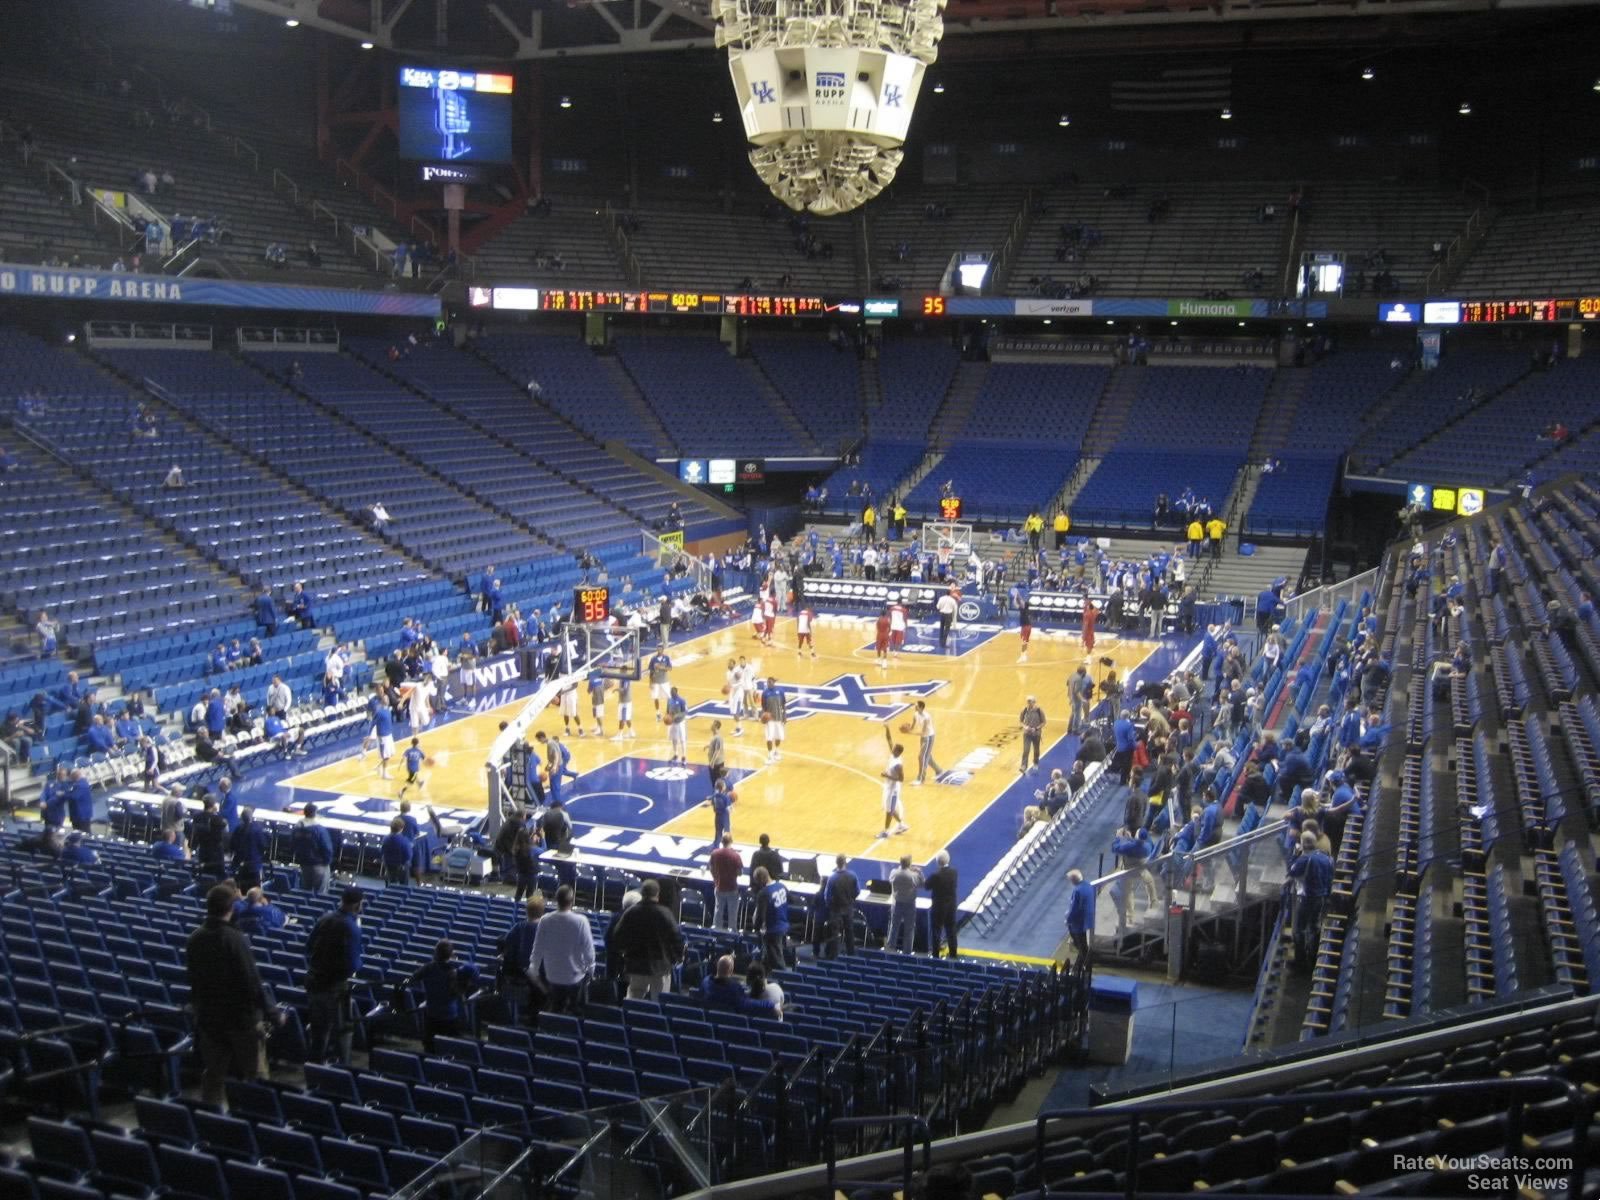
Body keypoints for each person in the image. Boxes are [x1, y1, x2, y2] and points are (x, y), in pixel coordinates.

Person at [186, 883, 280, 1109]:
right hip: (240, 1019)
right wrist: (272, 1012)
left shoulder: (195, 937)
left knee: (214, 1073)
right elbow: (251, 980)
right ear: (231, 908)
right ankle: (258, 1118)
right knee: (255, 1074)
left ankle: (210, 1117)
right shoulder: (234, 939)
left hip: (209, 1017)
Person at [305, 887, 365, 1064]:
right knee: (341, 1031)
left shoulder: (325, 918)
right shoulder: (351, 928)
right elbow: (353, 965)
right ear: (357, 904)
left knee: (318, 1033)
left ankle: (313, 1071)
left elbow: (309, 947)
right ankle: (339, 1070)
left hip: (313, 981)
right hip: (334, 988)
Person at [606, 879, 683, 1000]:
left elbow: (617, 937)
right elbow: (676, 939)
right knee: (659, 1001)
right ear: (657, 894)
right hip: (660, 967)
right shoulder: (665, 913)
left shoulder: (631, 912)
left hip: (636, 966)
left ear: (642, 893)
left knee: (633, 1001)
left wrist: (626, 954)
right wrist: (676, 958)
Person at [405, 938, 477, 1053]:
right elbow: (457, 993)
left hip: (431, 1014)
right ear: (451, 954)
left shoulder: (429, 967)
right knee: (450, 1048)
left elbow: (412, 978)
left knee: (430, 1049)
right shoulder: (453, 972)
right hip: (449, 1016)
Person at [530, 885, 594, 1013]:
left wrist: (534, 971)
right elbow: (589, 952)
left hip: (552, 977)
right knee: (574, 1009)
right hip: (574, 978)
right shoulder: (581, 921)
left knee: (556, 1008)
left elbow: (537, 949)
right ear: (572, 901)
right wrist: (591, 970)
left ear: (556, 900)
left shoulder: (545, 920)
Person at [1286, 830, 1332, 972]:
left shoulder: (1305, 859)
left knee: (1299, 929)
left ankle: (1300, 961)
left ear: (1303, 844)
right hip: (1322, 897)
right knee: (1314, 926)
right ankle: (1313, 958)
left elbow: (1291, 871)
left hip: (1307, 897)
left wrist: (1295, 854)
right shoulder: (1326, 857)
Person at [700, 954, 778, 1015]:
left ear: (717, 967)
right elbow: (748, 1003)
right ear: (731, 971)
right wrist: (770, 1005)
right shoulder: (734, 990)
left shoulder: (706, 982)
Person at [751, 865, 790, 970]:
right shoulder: (782, 886)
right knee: (772, 957)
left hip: (773, 930)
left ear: (761, 880)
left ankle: (784, 980)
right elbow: (790, 900)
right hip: (784, 924)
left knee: (777, 960)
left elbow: (760, 916)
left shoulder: (764, 893)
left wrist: (756, 928)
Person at [292, 802, 335, 894]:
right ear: (315, 813)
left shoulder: (297, 828)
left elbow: (293, 844)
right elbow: (327, 848)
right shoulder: (319, 830)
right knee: (320, 893)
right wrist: (327, 862)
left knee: (304, 891)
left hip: (304, 864)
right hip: (319, 865)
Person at [823, 853, 860, 957]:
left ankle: (833, 955)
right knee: (849, 932)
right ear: (845, 862)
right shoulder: (852, 875)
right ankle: (851, 954)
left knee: (834, 933)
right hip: (848, 907)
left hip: (835, 909)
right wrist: (851, 899)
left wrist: (831, 905)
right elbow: (857, 891)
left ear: (836, 863)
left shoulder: (832, 878)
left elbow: (827, 896)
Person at [924, 851, 958, 958]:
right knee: (951, 929)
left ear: (937, 862)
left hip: (939, 907)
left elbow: (926, 886)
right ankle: (953, 953)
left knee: (936, 930)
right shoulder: (954, 872)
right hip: (951, 905)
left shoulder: (936, 875)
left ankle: (935, 954)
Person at [708, 833, 743, 931]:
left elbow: (711, 868)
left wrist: (716, 879)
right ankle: (732, 935)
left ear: (722, 842)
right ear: (731, 841)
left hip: (719, 887)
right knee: (732, 914)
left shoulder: (714, 853)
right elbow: (740, 873)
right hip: (732, 888)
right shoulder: (735, 856)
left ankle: (717, 933)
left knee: (718, 912)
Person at [887, 854, 921, 953]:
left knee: (894, 926)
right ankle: (907, 951)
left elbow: (890, 880)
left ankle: (890, 948)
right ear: (910, 863)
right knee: (909, 928)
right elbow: (922, 883)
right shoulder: (913, 875)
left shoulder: (894, 873)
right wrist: (918, 872)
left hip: (897, 903)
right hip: (909, 904)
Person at [1064, 868, 1095, 971]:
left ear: (1074, 880)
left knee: (1081, 946)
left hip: (1078, 923)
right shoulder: (1089, 886)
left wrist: (1068, 920)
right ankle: (1081, 964)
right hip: (1088, 918)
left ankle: (1082, 967)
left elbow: (1074, 909)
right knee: (1083, 945)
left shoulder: (1077, 891)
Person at [909, 699, 941, 785]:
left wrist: (911, 733)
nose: (915, 707)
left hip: (929, 737)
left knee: (921, 757)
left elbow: (923, 732)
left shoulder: (927, 717)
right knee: (928, 757)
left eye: (917, 706)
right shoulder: (915, 714)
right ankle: (939, 771)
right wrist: (907, 729)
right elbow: (912, 726)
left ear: (921, 708)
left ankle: (920, 779)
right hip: (923, 738)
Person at [761, 676, 787, 763]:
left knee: (778, 737)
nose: (768, 684)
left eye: (770, 682)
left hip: (779, 718)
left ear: (773, 683)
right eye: (767, 682)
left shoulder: (780, 691)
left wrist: (785, 715)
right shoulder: (765, 693)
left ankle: (776, 751)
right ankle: (769, 755)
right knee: (769, 738)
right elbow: (763, 706)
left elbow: (783, 705)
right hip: (770, 720)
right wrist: (764, 716)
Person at [382, 817, 414, 886]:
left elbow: (382, 851)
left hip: (389, 865)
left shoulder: (385, 839)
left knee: (390, 883)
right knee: (403, 885)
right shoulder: (405, 841)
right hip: (401, 867)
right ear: (402, 829)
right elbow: (408, 856)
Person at [1019, 696, 1046, 773]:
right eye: (1028, 701)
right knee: (1026, 750)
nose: (1029, 703)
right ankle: (1023, 766)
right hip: (1027, 734)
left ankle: (1036, 762)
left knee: (1036, 749)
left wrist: (1036, 728)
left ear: (1034, 702)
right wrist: (1025, 727)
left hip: (1036, 734)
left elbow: (1044, 722)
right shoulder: (1024, 710)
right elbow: (1021, 721)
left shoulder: (1039, 710)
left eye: (1030, 701)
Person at [664, 685, 688, 764]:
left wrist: (676, 716)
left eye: (672, 692)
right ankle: (675, 754)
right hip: (673, 723)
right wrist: (666, 717)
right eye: (671, 692)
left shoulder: (682, 701)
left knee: (682, 739)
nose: (671, 693)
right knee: (674, 739)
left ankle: (684, 756)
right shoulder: (669, 700)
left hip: (680, 723)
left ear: (676, 692)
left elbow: (685, 712)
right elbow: (667, 711)